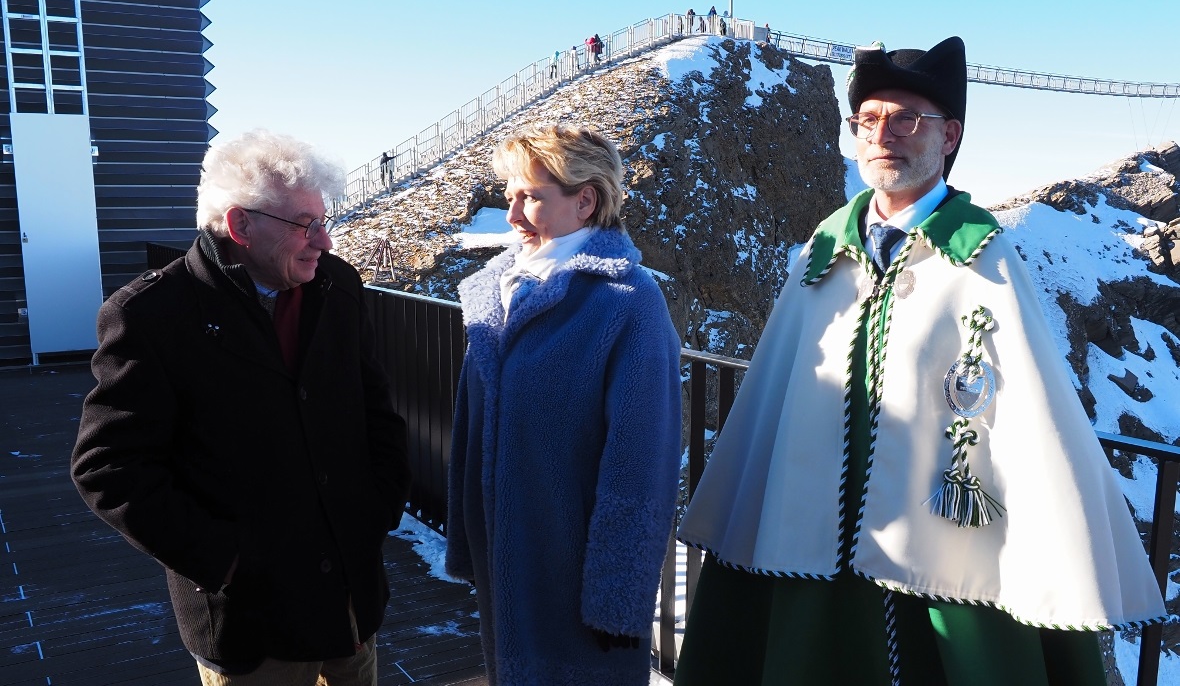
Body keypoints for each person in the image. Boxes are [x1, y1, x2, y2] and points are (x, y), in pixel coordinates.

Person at [673, 37, 1166, 685]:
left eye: (907, 119)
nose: (884, 134)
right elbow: (775, 395)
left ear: (948, 136)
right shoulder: (824, 250)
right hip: (808, 534)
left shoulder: (982, 255)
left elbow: (1032, 415)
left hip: (939, 553)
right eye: (868, 119)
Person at [71, 129, 412, 686]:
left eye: (325, 222)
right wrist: (225, 561)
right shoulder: (153, 314)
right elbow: (108, 467)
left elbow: (375, 411)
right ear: (240, 225)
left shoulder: (339, 287)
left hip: (349, 601)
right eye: (306, 225)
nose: (324, 243)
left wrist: (377, 509)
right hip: (253, 629)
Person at [444, 125, 682, 686]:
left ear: (586, 199)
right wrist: (468, 534)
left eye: (531, 197)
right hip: (507, 561)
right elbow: (468, 426)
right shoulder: (495, 291)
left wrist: (618, 598)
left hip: (576, 577)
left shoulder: (628, 302)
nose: (513, 216)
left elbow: (641, 465)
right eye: (510, 196)